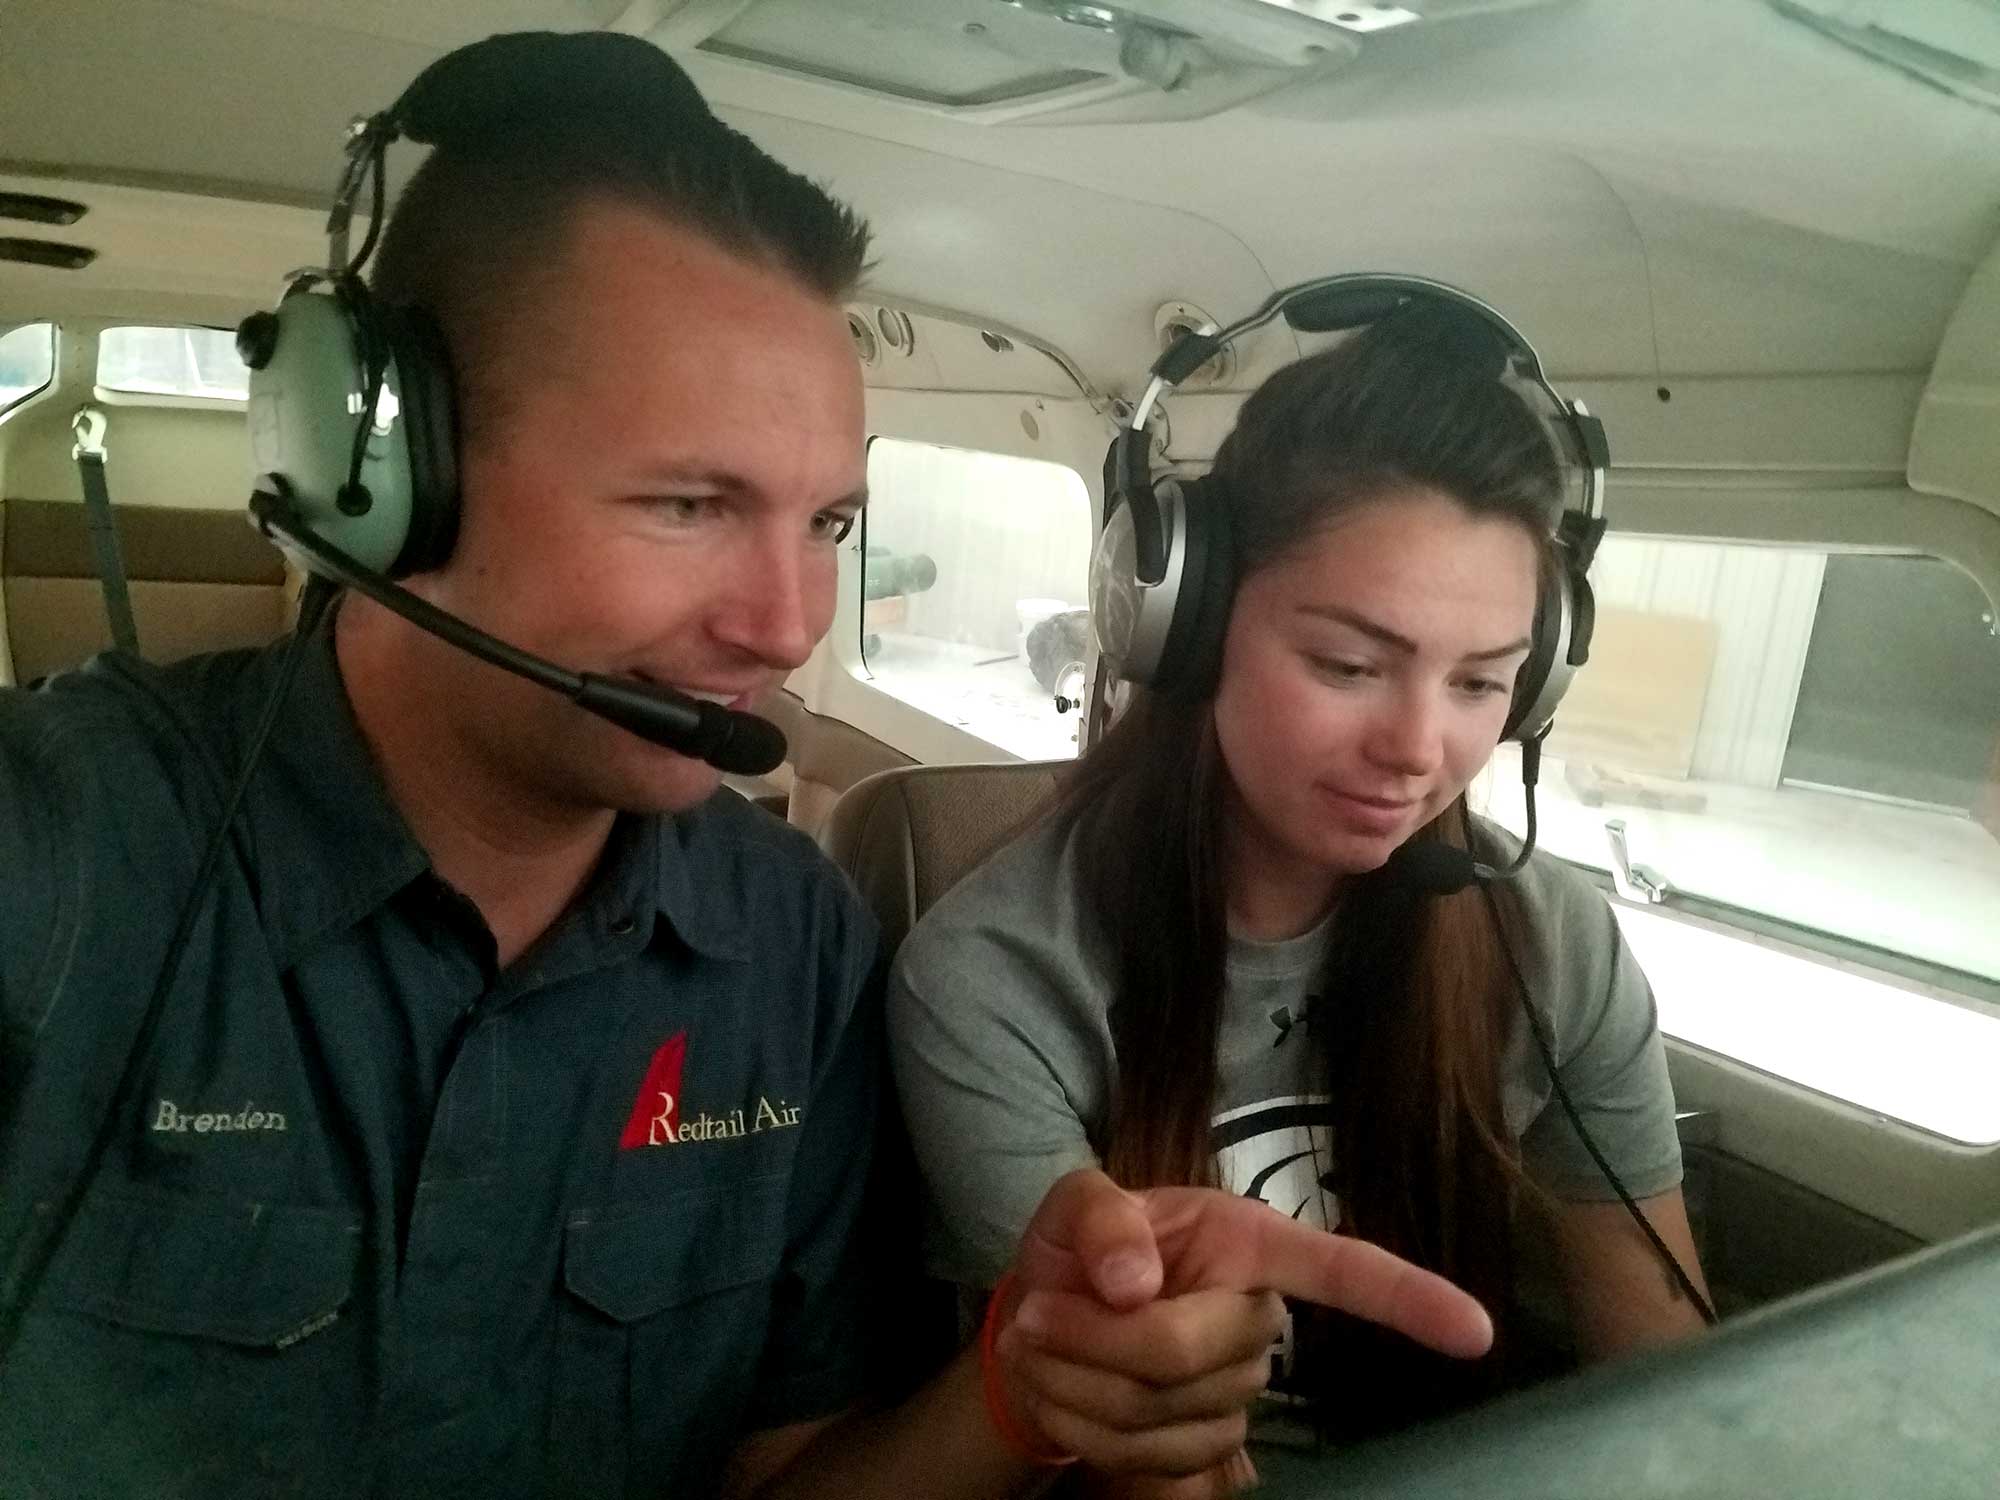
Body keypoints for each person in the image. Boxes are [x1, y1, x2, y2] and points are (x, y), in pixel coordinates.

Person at [0, 32, 1492, 1500]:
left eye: (828, 523)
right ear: (380, 473)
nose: (783, 625)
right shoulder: (58, 856)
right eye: (690, 502)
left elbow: (789, 1479)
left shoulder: (790, 944)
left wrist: (1021, 1392)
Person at [889, 304, 1715, 1468]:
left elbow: (1663, 1375)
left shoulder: (1550, 946)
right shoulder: (998, 975)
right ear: (1187, 627)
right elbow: (1110, 1452)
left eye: (1482, 683)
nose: (1417, 748)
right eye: (1347, 664)